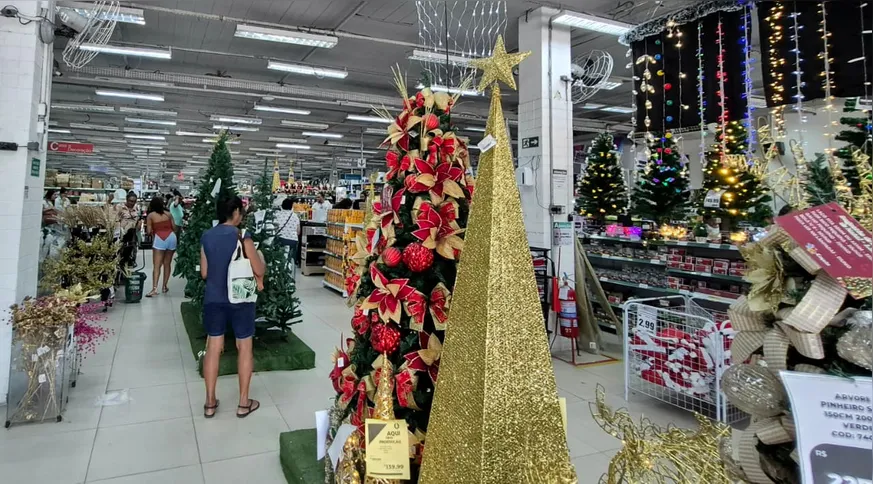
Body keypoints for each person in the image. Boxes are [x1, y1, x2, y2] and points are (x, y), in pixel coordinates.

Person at [199, 196, 265, 418]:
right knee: (244, 346)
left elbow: (204, 273)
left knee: (213, 348)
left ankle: (209, 402)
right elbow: (259, 269)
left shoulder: (207, 236)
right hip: (241, 298)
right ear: (236, 211)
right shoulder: (242, 236)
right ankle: (243, 402)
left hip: (214, 298)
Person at [145, 196, 177, 297]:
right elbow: (174, 228)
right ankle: (164, 286)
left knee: (157, 265)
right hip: (171, 237)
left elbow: (149, 231)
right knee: (167, 264)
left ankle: (154, 289)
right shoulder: (168, 214)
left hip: (159, 238)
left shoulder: (151, 215)